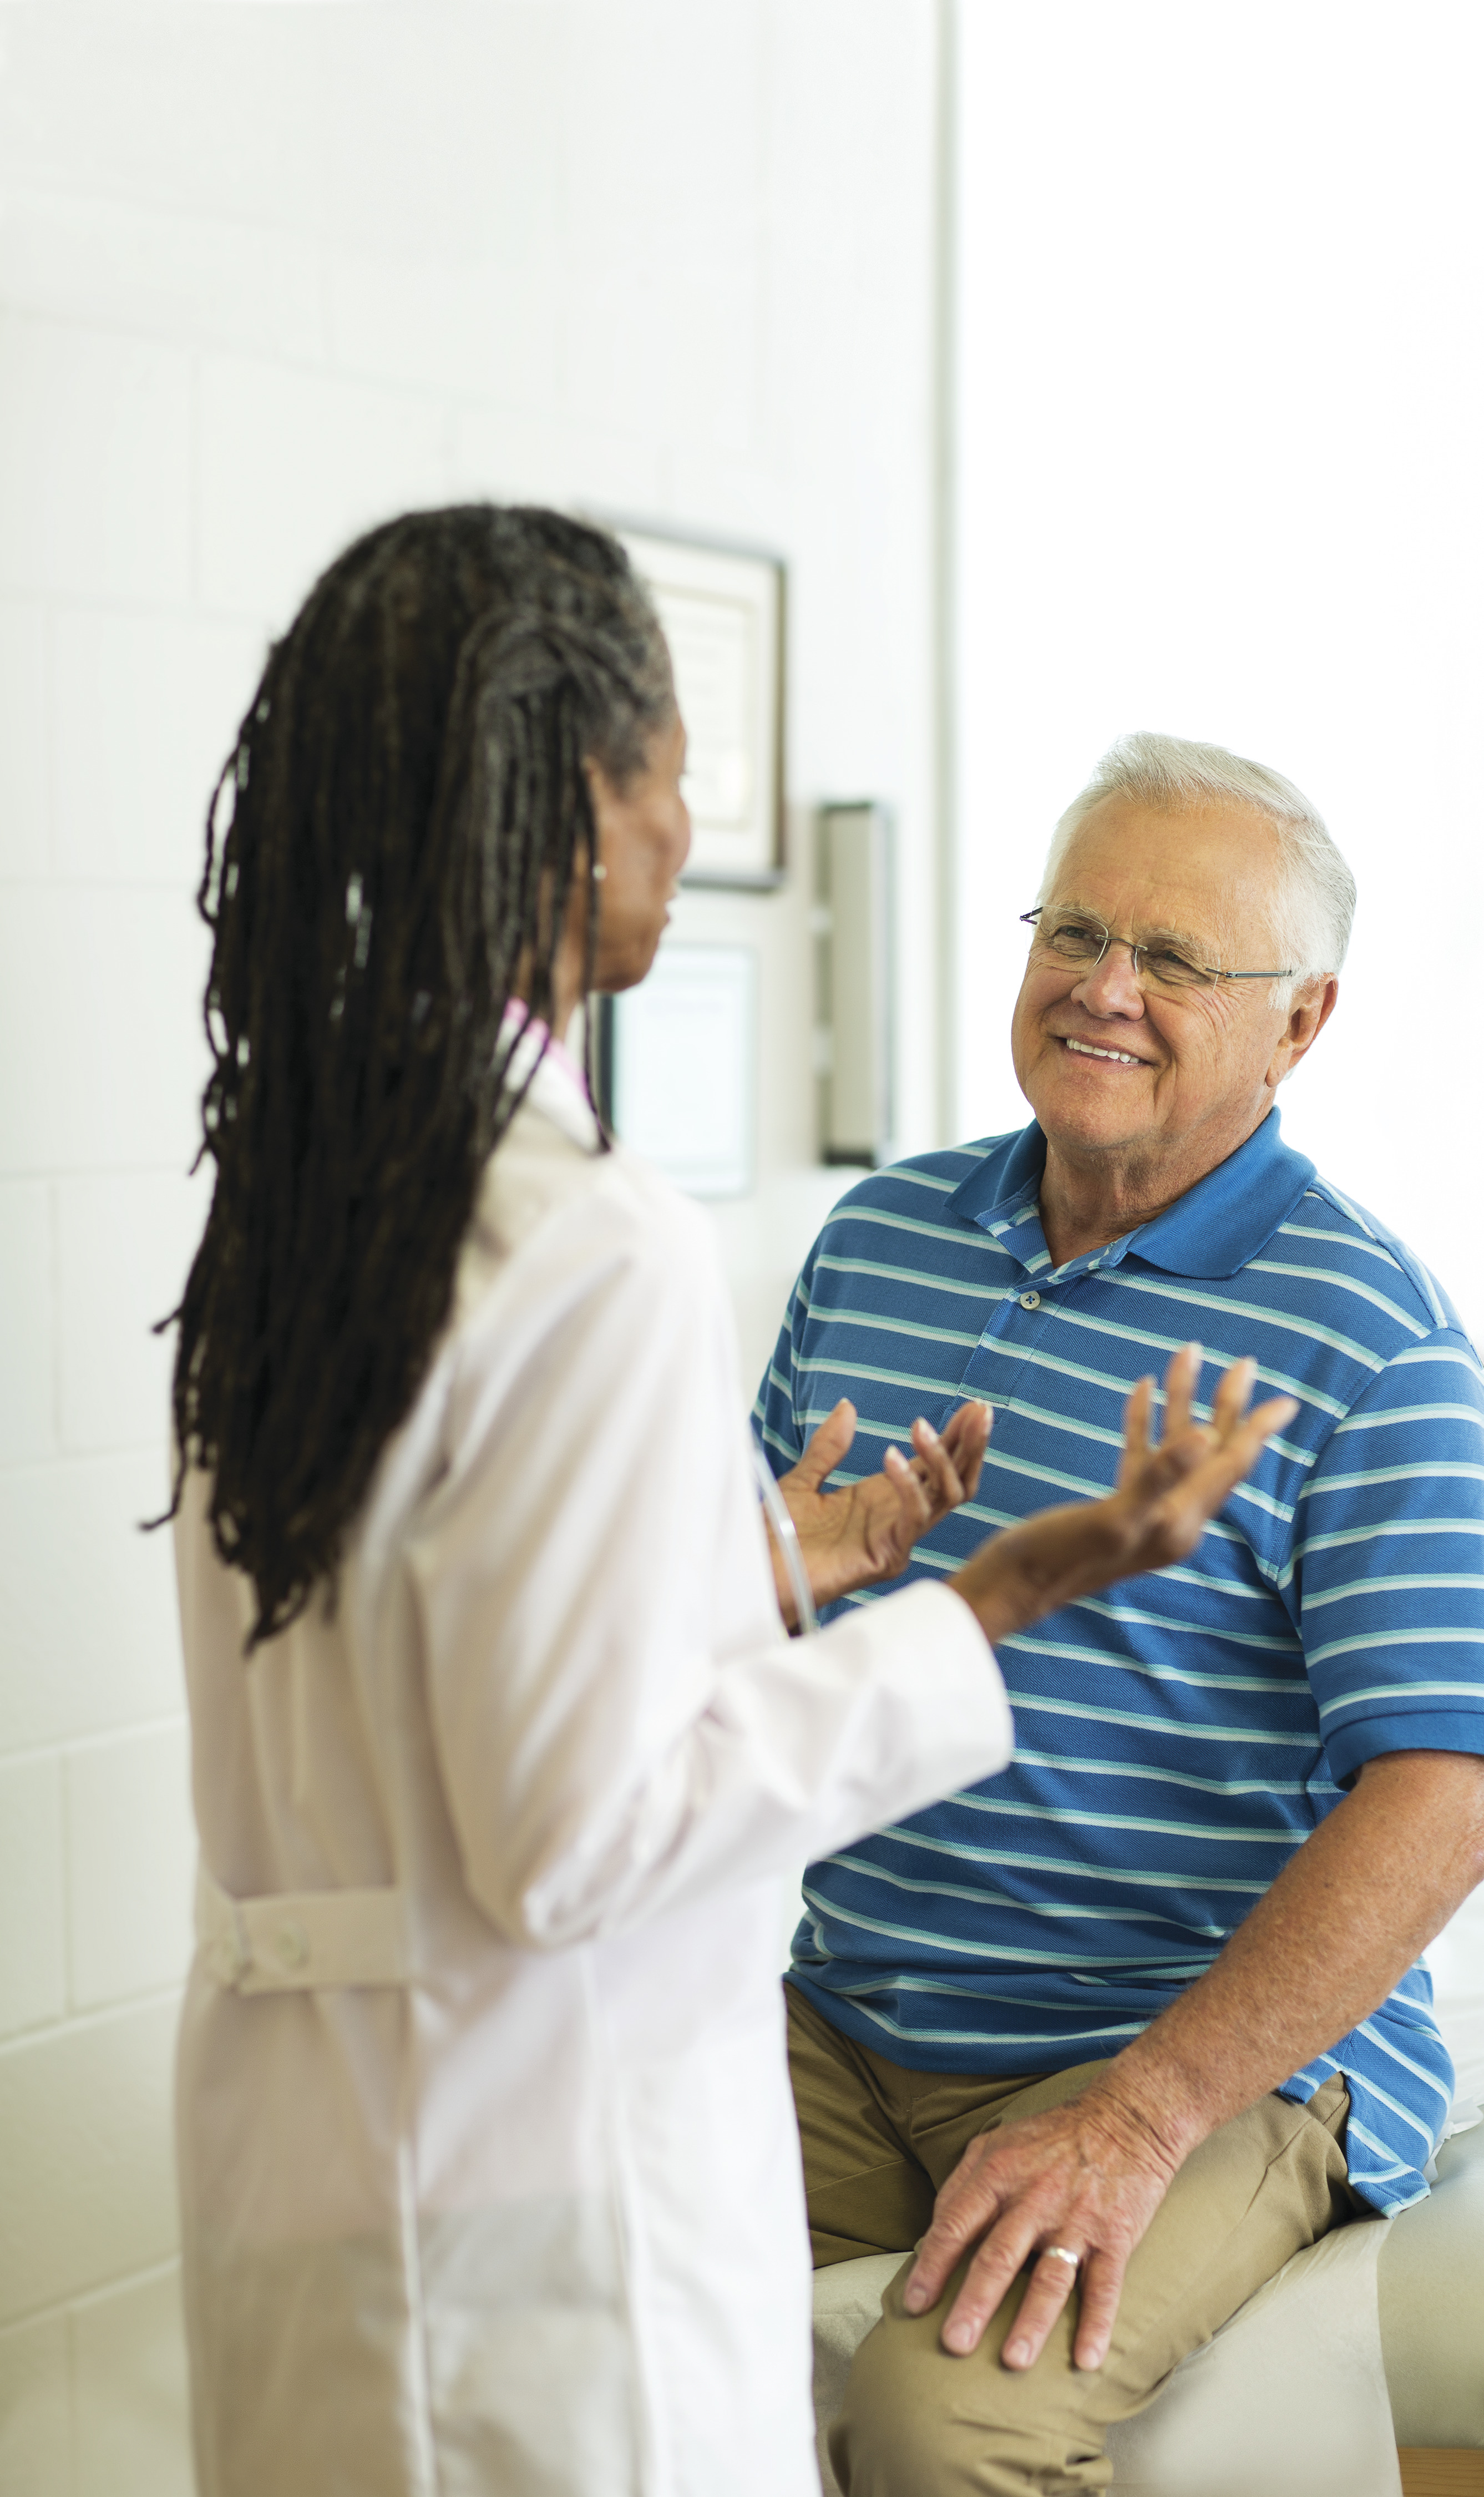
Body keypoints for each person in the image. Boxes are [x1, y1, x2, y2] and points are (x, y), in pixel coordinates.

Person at [163, 524, 1285, 2497]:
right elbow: (571, 1834)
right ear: (564, 809)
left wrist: (763, 1555)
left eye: (1178, 956)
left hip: (308, 2147)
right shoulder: (594, 1241)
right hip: (533, 2193)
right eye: (667, 773)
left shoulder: (307, 1199)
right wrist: (1005, 1587)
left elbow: (438, 1657)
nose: (689, 828)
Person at [757, 730, 1484, 2496]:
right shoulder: (877, 1239)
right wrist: (765, 1568)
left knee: (949, 2419)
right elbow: (740, 1659)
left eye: (1172, 958)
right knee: (547, 2318)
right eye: (1074, 929)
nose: (1101, 988)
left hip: (1175, 2047)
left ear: (1297, 1022)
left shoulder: (1369, 1339)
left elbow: (1446, 1787)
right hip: (845, 2016)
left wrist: (1142, 2111)